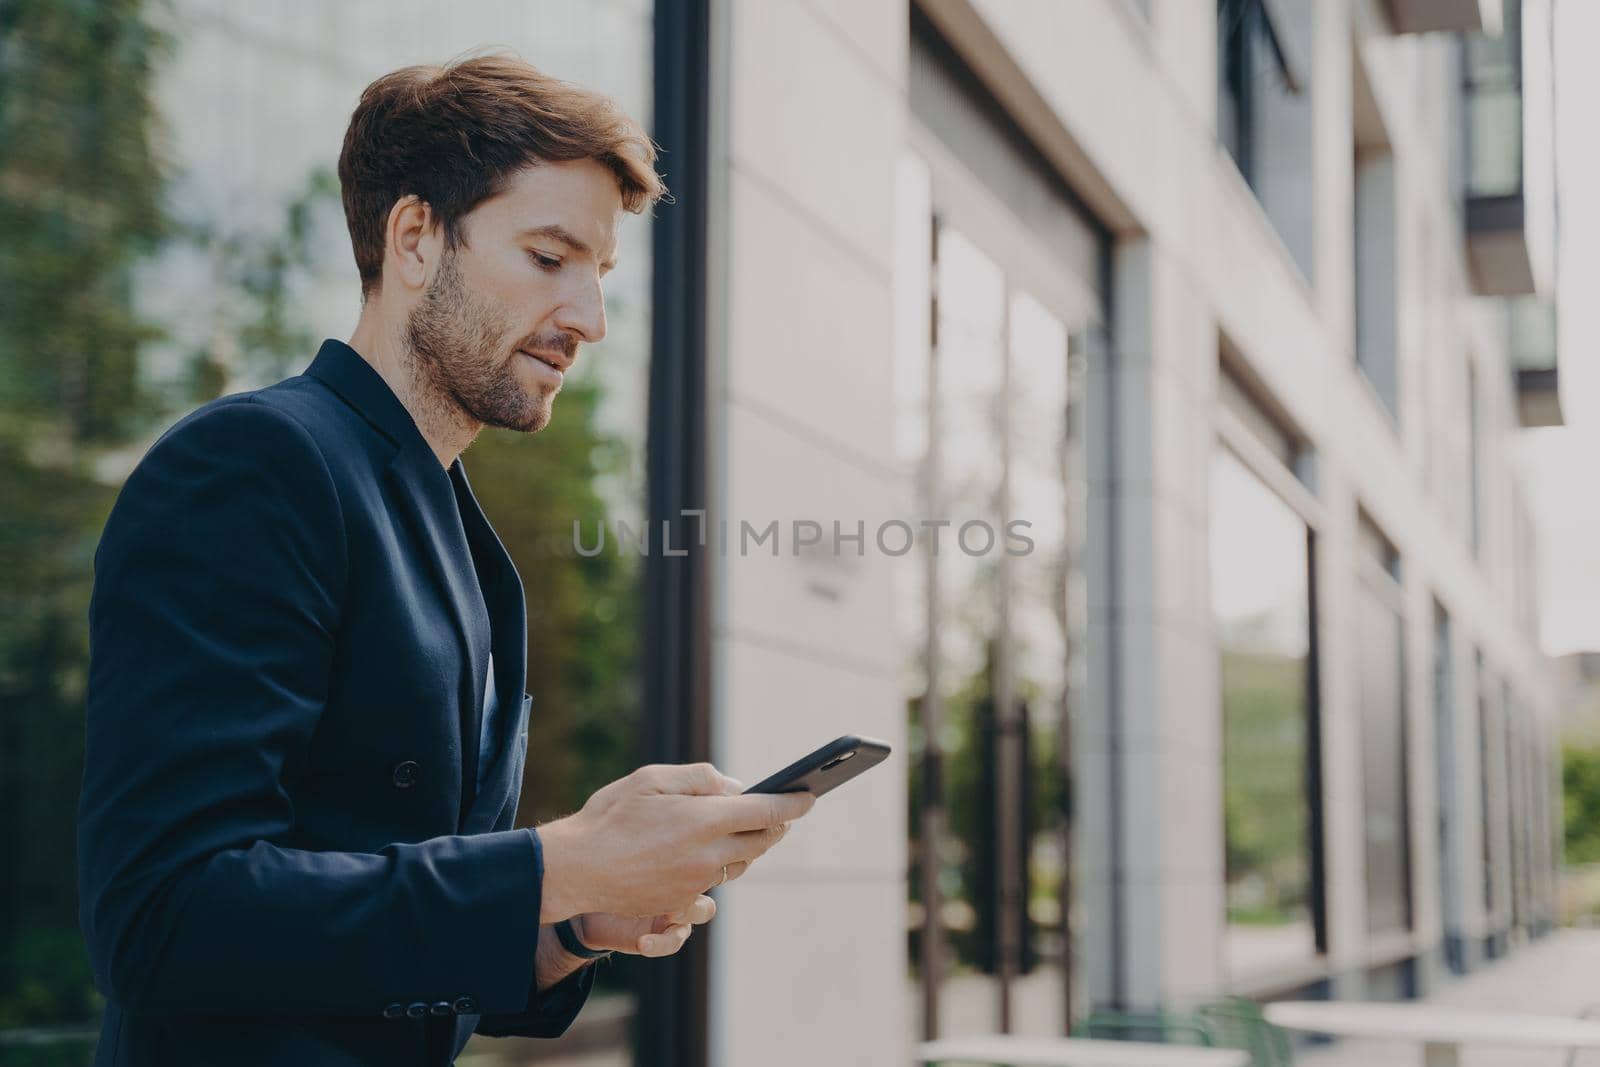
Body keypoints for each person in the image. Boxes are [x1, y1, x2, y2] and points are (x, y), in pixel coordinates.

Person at [74, 52, 815, 1067]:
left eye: (597, 275)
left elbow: (388, 933)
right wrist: (559, 863)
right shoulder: (253, 465)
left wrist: (572, 923)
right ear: (416, 237)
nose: (588, 322)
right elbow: (163, 915)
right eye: (550, 257)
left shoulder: (462, 536)